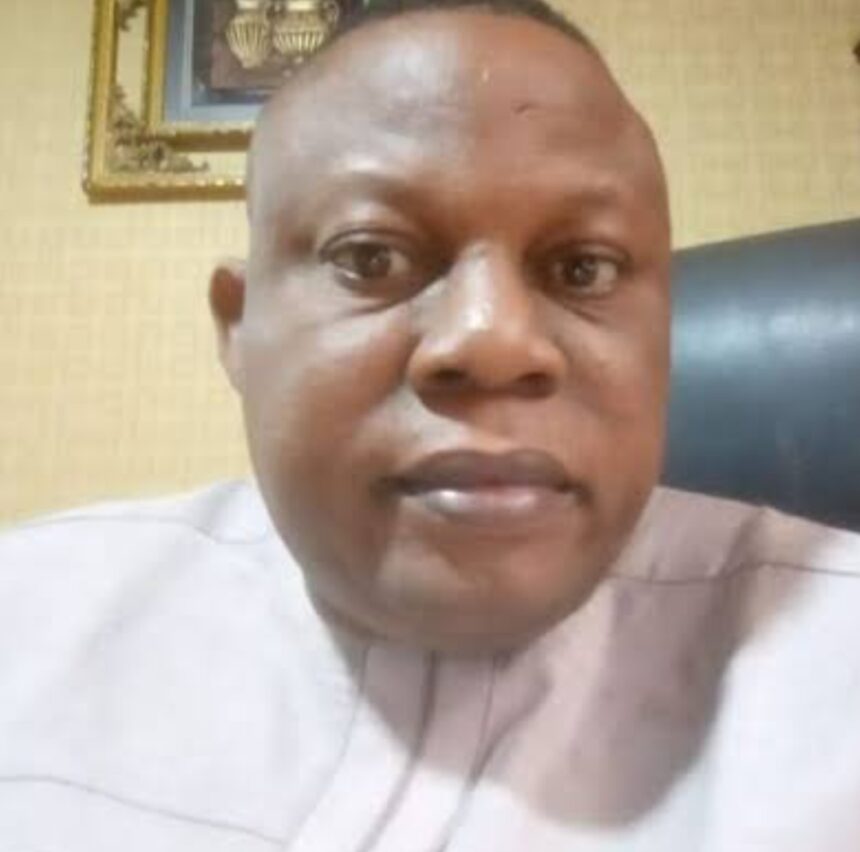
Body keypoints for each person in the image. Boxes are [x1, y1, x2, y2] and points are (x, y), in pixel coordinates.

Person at [1, 1, 859, 849]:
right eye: (370, 257)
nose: (492, 342)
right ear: (240, 325)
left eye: (583, 268)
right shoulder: (27, 619)